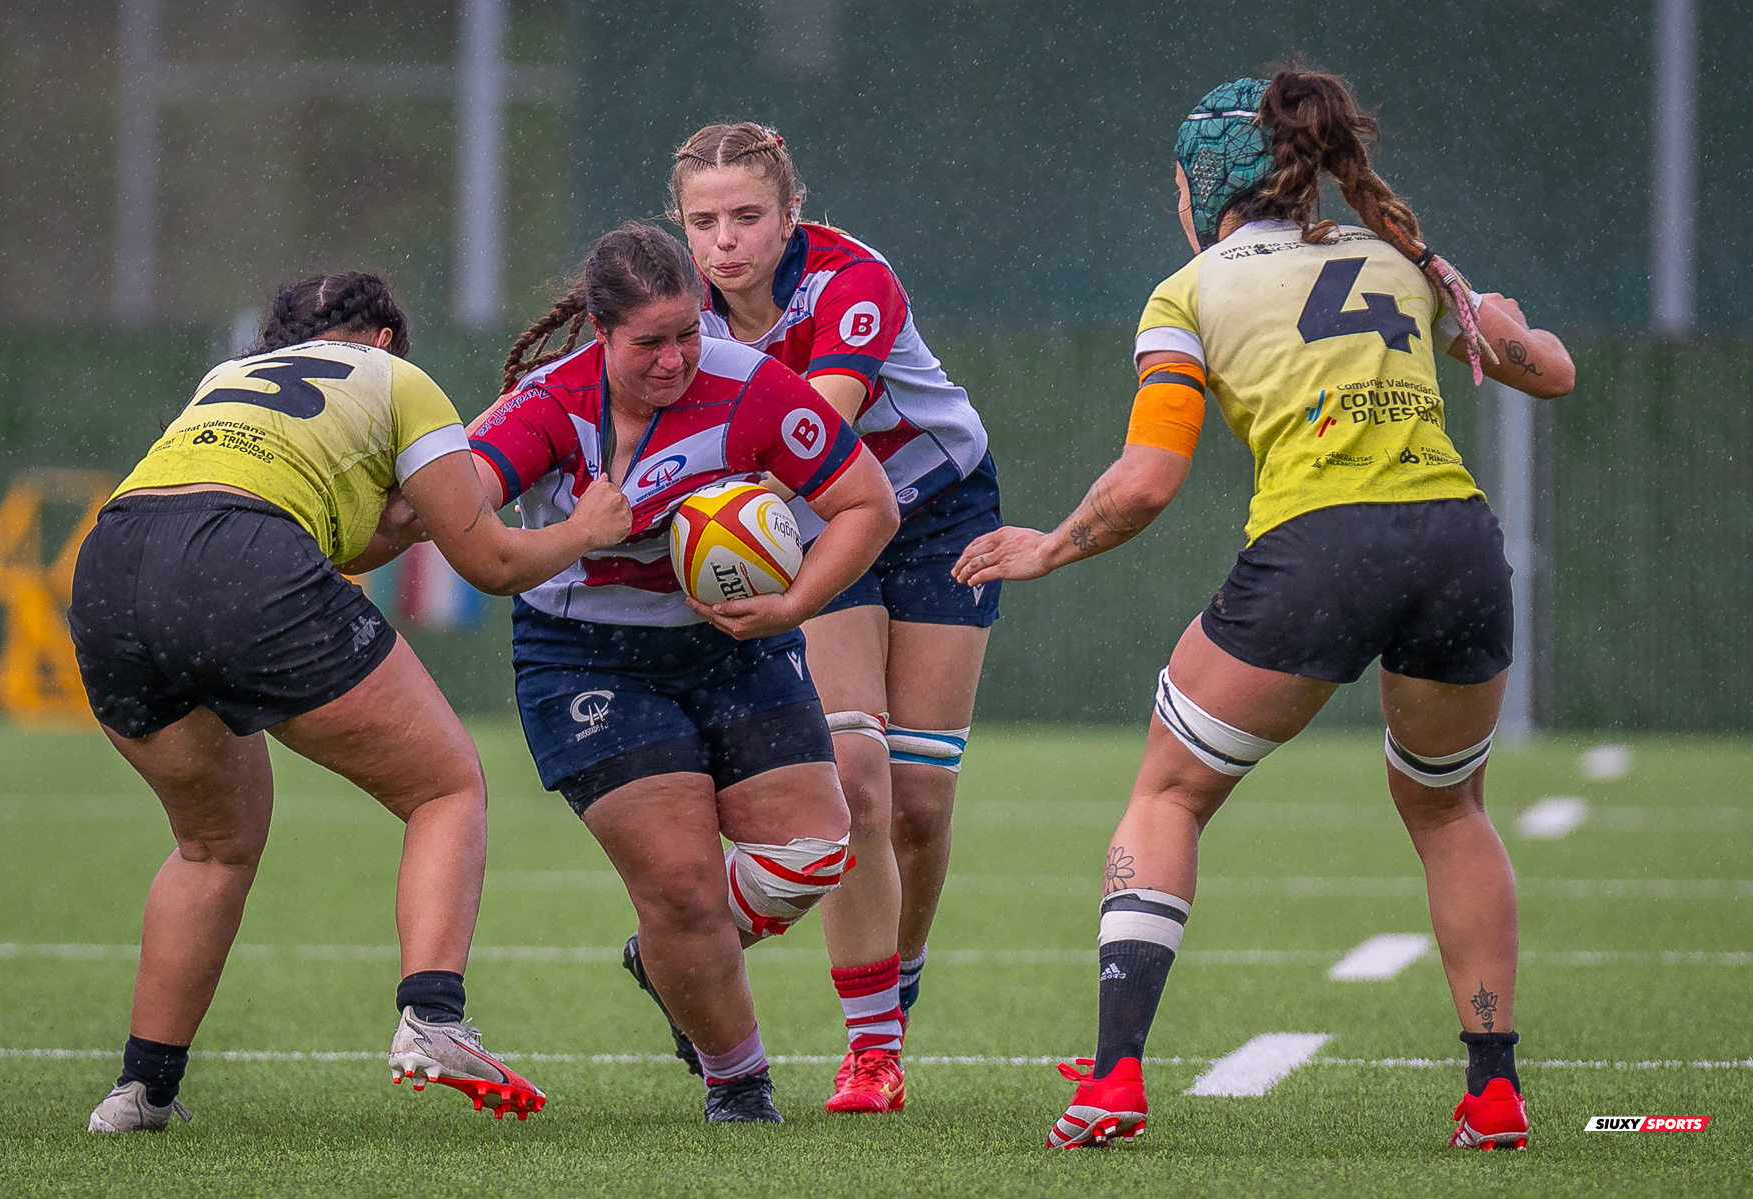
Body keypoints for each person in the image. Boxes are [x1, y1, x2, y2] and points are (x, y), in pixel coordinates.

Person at [954, 69, 1574, 1150]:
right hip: (1456, 543)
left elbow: (1149, 480)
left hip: (1321, 547)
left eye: (1176, 185)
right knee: (1447, 808)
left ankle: (1112, 1076)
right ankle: (1494, 1087)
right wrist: (1499, 318)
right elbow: (1550, 372)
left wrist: (1049, 546)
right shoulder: (1404, 258)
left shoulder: (1189, 291)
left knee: (1170, 790)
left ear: (1204, 186)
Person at [71, 272, 634, 1132]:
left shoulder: (225, 380)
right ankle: (434, 1018)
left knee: (213, 847)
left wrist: (407, 521)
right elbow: (489, 562)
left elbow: (320, 531)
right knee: (446, 785)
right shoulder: (396, 379)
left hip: (110, 567)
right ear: (379, 341)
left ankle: (143, 1087)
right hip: (244, 556)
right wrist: (585, 531)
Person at [469, 222, 898, 1123]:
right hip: (583, 654)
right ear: (599, 329)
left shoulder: (752, 390)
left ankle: (663, 950)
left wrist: (791, 605)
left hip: (734, 644)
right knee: (682, 885)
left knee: (813, 856)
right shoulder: (549, 402)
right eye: (649, 343)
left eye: (688, 334)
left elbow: (868, 504)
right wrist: (573, 532)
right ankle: (737, 1081)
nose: (674, 360)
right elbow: (461, 502)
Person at [668, 121, 1001, 1114]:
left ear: (791, 216)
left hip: (937, 509)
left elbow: (819, 423)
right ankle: (872, 1050)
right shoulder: (679, 309)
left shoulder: (854, 280)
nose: (725, 241)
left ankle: (876, 992)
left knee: (921, 801)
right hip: (815, 525)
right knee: (856, 773)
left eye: (746, 217)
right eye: (702, 221)